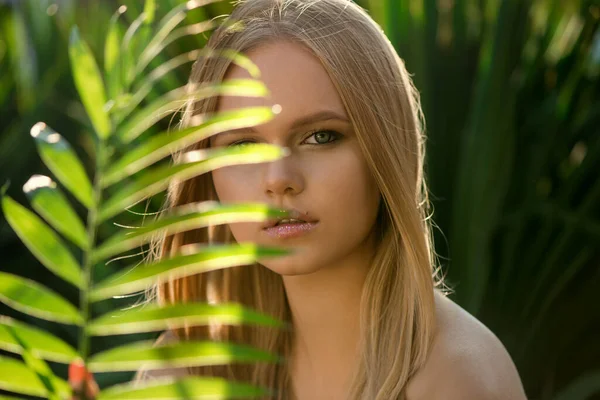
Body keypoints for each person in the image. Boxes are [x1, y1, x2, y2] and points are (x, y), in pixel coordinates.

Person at [72, 0, 527, 399]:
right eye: (245, 145)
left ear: (386, 149)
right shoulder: (192, 366)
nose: (279, 179)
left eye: (320, 136)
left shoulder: (457, 378)